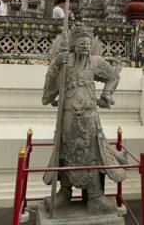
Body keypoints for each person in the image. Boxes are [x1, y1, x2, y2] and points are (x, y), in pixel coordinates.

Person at [42, 24, 125, 213]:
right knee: (65, 152)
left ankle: (95, 196)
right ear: (73, 44)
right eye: (81, 43)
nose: (85, 47)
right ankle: (64, 192)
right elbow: (49, 92)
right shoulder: (64, 61)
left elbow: (113, 76)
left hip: (89, 117)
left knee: (93, 152)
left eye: (87, 44)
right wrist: (55, 65)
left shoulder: (96, 62)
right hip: (67, 117)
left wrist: (107, 93)